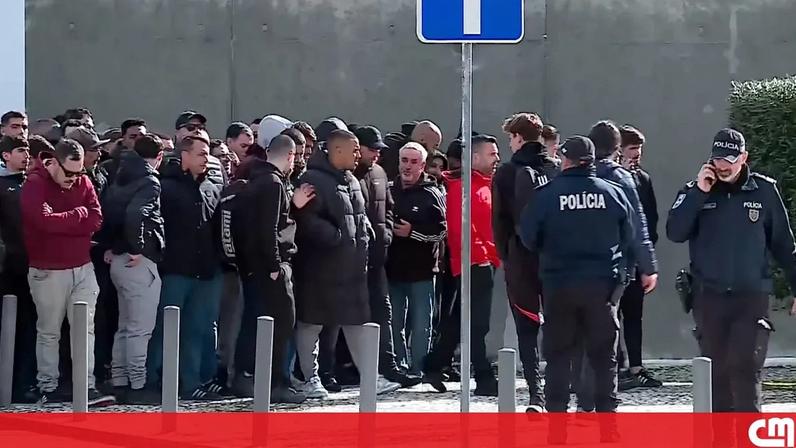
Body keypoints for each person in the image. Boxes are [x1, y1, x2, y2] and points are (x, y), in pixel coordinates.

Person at [667, 128, 796, 413]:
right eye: (718, 159)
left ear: (743, 158)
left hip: (751, 297)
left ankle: (749, 433)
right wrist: (699, 193)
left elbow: (784, 245)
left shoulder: (764, 191)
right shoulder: (695, 191)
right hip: (709, 297)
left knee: (745, 366)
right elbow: (675, 232)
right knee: (718, 376)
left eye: (730, 160)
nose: (723, 166)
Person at [519, 137, 637, 439]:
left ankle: (557, 431)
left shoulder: (547, 195)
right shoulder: (613, 192)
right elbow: (629, 236)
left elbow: (528, 237)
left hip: (559, 287)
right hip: (602, 289)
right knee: (604, 358)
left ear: (566, 160)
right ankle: (608, 428)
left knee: (558, 357)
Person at [21, 138, 115, 406]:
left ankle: (86, 386)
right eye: (69, 172)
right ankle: (48, 387)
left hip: (82, 266)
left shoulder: (83, 181)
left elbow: (96, 219)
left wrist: (64, 217)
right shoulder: (35, 183)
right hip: (47, 269)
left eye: (79, 172)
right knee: (49, 331)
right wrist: (78, 215)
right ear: (53, 163)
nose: (74, 178)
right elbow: (41, 222)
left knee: (85, 329)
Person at [292, 129, 375, 399]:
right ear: (337, 150)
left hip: (352, 268)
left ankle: (370, 378)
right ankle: (309, 377)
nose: (358, 155)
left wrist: (366, 234)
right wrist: (335, 237)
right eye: (354, 149)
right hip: (321, 267)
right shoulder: (313, 179)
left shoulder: (352, 180)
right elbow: (306, 219)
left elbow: (359, 215)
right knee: (312, 323)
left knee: (356, 321)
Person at [146, 135, 225, 400]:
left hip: (206, 270)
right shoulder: (164, 187)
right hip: (175, 270)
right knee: (165, 328)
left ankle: (194, 381)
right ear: (184, 155)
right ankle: (157, 380)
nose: (206, 159)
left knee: (198, 328)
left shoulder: (211, 186)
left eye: (207, 154)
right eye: (201, 153)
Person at [231, 135, 308, 403]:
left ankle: (256, 378)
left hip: (256, 265)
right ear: (290, 156)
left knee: (262, 323)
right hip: (272, 266)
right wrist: (275, 265)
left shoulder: (258, 179)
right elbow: (268, 228)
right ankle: (276, 383)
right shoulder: (273, 183)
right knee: (283, 325)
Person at [423, 134, 501, 396]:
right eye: (492, 154)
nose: (497, 158)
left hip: (483, 260)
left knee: (460, 319)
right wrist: (482, 257)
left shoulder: (483, 183)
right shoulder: (462, 187)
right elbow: (459, 228)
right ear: (475, 158)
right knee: (477, 323)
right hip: (474, 262)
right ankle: (484, 376)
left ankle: (434, 364)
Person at [492, 113, 559, 412]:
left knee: (526, 328)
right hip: (556, 260)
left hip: (521, 259)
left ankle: (536, 395)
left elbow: (499, 221)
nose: (510, 143)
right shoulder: (556, 168)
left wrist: (506, 256)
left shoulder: (506, 173)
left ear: (519, 138)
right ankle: (560, 390)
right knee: (560, 325)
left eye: (511, 138)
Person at [100, 134, 164, 404]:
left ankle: (120, 380)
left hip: (117, 258)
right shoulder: (149, 181)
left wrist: (113, 246)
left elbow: (109, 214)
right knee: (140, 328)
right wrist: (138, 247)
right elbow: (136, 214)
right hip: (137, 261)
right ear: (159, 157)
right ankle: (138, 384)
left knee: (125, 326)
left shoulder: (120, 176)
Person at [387, 141, 446, 380]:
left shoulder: (432, 193)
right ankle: (399, 367)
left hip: (422, 271)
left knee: (422, 324)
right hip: (392, 269)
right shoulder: (388, 190)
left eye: (414, 162)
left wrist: (413, 232)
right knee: (394, 322)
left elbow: (442, 231)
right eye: (404, 161)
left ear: (422, 166)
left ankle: (420, 368)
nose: (408, 167)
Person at [614, 125, 662, 390]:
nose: (637, 155)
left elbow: (650, 222)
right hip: (614, 261)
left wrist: (647, 262)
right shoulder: (609, 178)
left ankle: (636, 366)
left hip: (636, 261)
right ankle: (615, 367)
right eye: (633, 149)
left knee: (634, 315)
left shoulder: (643, 179)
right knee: (611, 316)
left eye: (639, 150)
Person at [0, 136, 35, 402]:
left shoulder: (31, 184)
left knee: (26, 328)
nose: (26, 156)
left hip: (29, 266)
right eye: (20, 150)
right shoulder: (3, 187)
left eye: (27, 151)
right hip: (7, 267)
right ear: (6, 155)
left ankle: (21, 385)